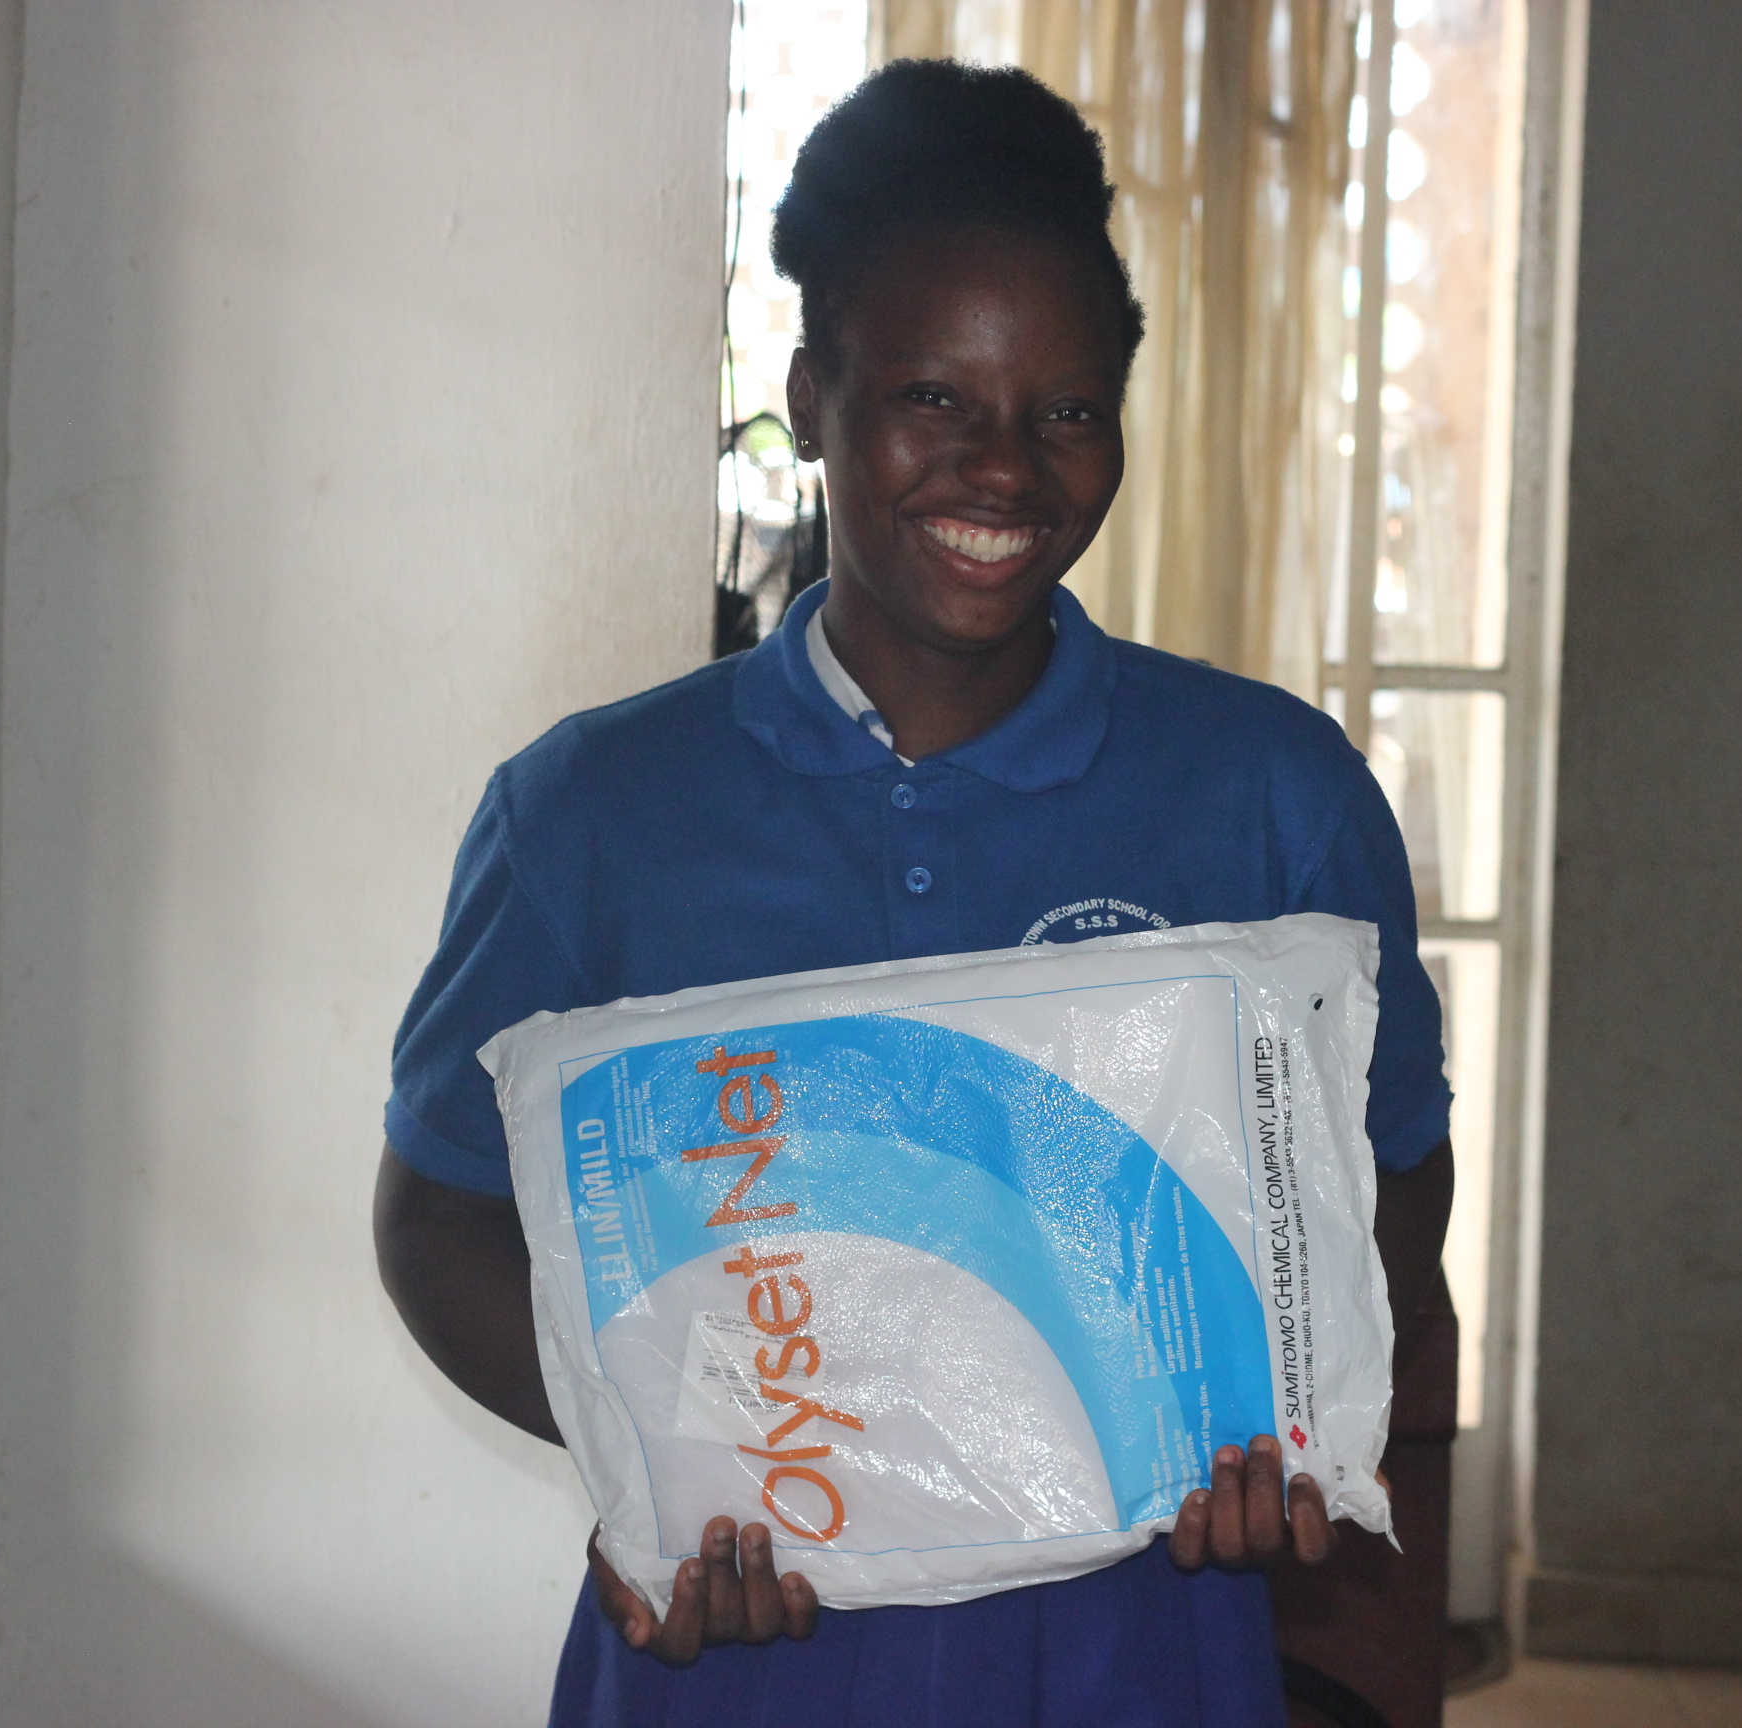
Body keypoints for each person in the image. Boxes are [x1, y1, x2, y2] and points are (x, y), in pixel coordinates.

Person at [374, 58, 1454, 1727]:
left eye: (1069, 407)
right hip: (738, 1663)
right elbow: (436, 1219)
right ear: (810, 399)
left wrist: (1290, 1423)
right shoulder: (593, 810)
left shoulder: (1267, 792)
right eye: (934, 399)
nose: (1007, 468)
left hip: (1138, 1659)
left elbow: (1393, 1188)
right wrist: (672, 1469)